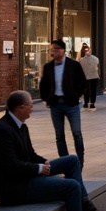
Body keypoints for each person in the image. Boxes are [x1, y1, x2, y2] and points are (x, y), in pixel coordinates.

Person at [0, 90, 106, 211]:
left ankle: (85, 206)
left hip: (24, 176)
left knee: (71, 161)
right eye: (29, 105)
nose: (32, 109)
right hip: (13, 187)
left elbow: (31, 155)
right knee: (72, 187)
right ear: (19, 108)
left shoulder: (20, 125)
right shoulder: (2, 131)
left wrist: (44, 164)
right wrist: (39, 169)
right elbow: (11, 167)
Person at [39, 39, 87, 167]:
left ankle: (80, 161)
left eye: (55, 49)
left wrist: (77, 95)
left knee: (77, 133)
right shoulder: (48, 67)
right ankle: (65, 162)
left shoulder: (74, 65)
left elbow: (82, 82)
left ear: (62, 50)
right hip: (55, 104)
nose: (52, 52)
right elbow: (44, 84)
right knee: (59, 135)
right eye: (51, 50)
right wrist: (46, 99)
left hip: (72, 104)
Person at [78, 44, 100, 110]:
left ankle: (87, 103)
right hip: (93, 76)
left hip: (86, 77)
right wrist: (98, 75)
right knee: (93, 90)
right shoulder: (96, 59)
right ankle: (92, 103)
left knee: (87, 91)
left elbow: (80, 70)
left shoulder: (81, 60)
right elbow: (98, 68)